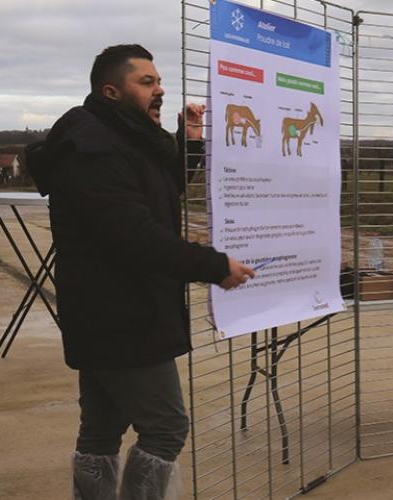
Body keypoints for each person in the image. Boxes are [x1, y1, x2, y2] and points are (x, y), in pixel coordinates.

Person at [25, 44, 254, 500]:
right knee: (166, 428)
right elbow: (134, 234)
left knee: (101, 431)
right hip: (122, 315)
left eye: (159, 81)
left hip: (109, 314)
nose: (160, 90)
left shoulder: (120, 136)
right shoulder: (92, 150)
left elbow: (159, 188)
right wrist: (213, 264)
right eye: (146, 83)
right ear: (111, 91)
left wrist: (189, 137)